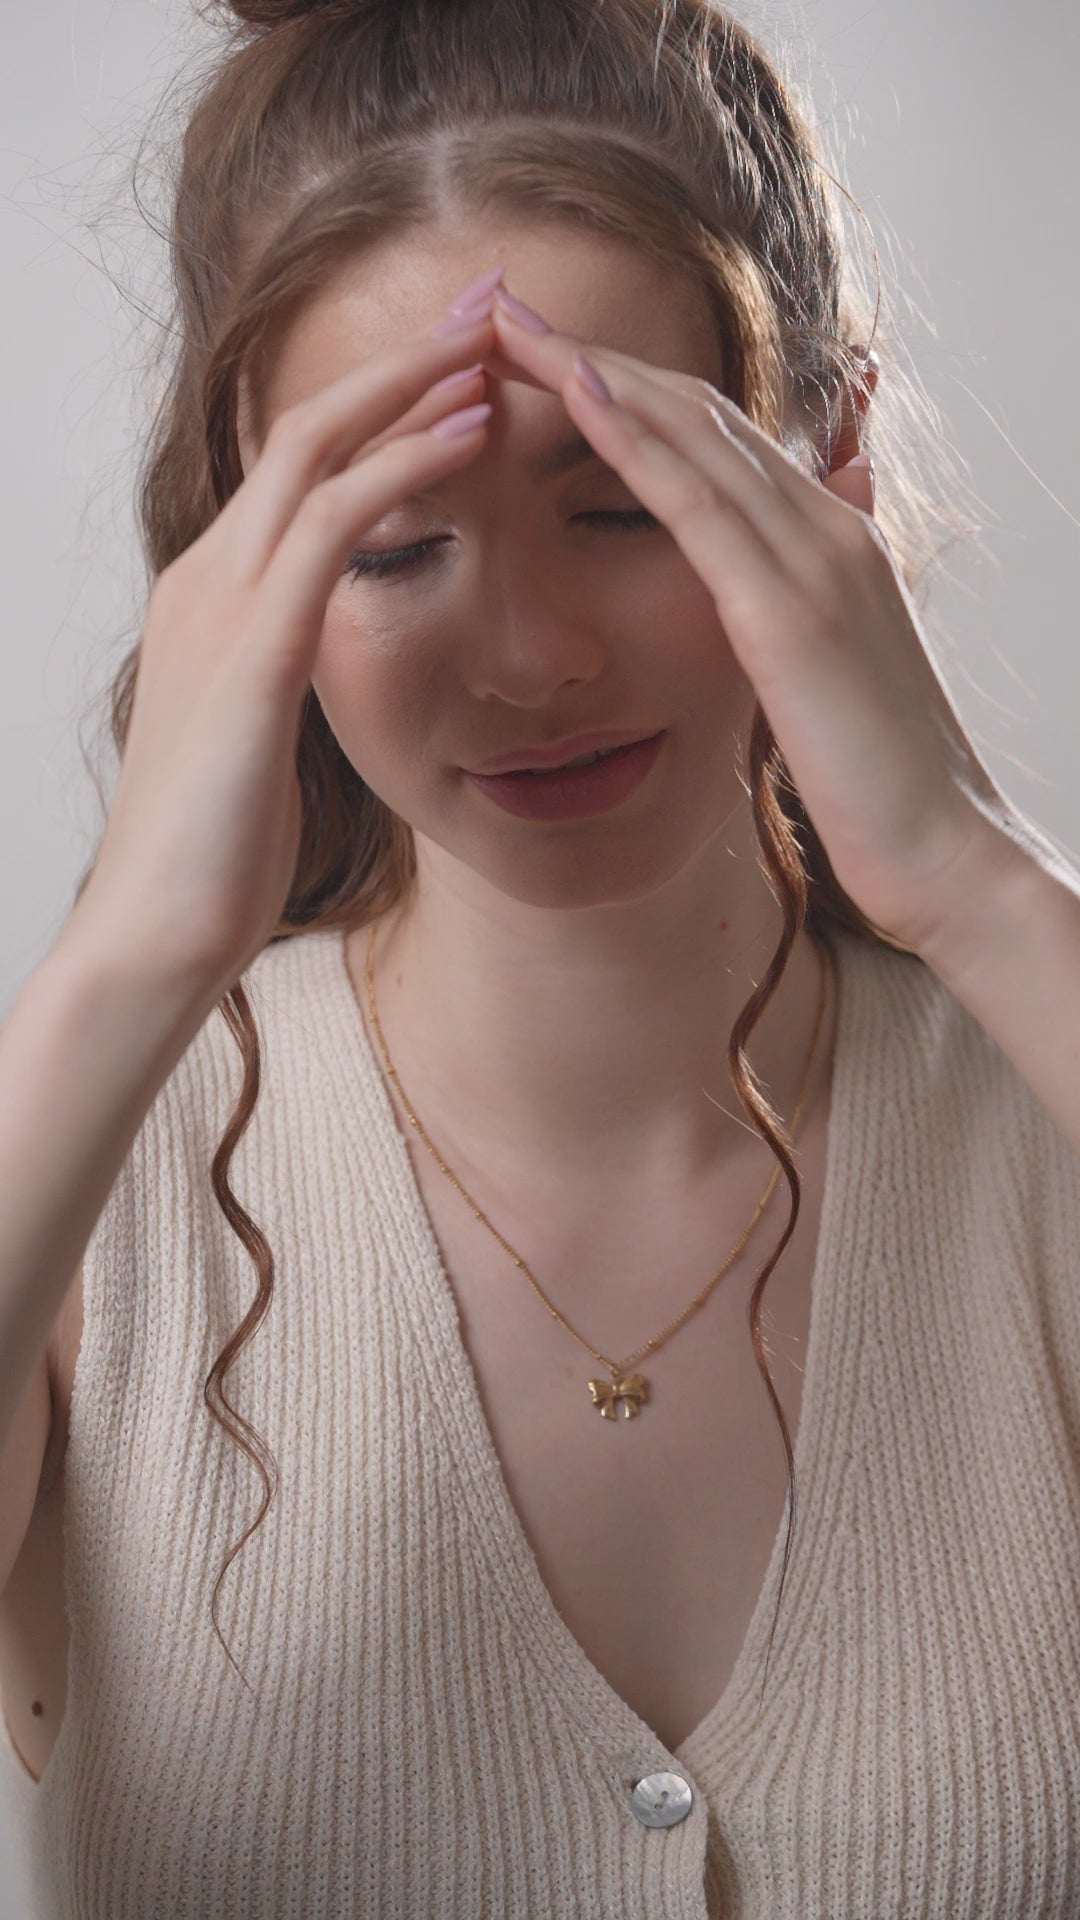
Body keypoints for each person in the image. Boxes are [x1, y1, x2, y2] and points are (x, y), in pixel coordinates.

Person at [1, 1, 1079, 1914]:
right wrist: (129, 957)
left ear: (828, 470)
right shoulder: (90, 1177)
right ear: (238, 565)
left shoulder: (1035, 1100)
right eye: (394, 548)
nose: (528, 657)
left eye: (621, 507)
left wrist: (977, 880)